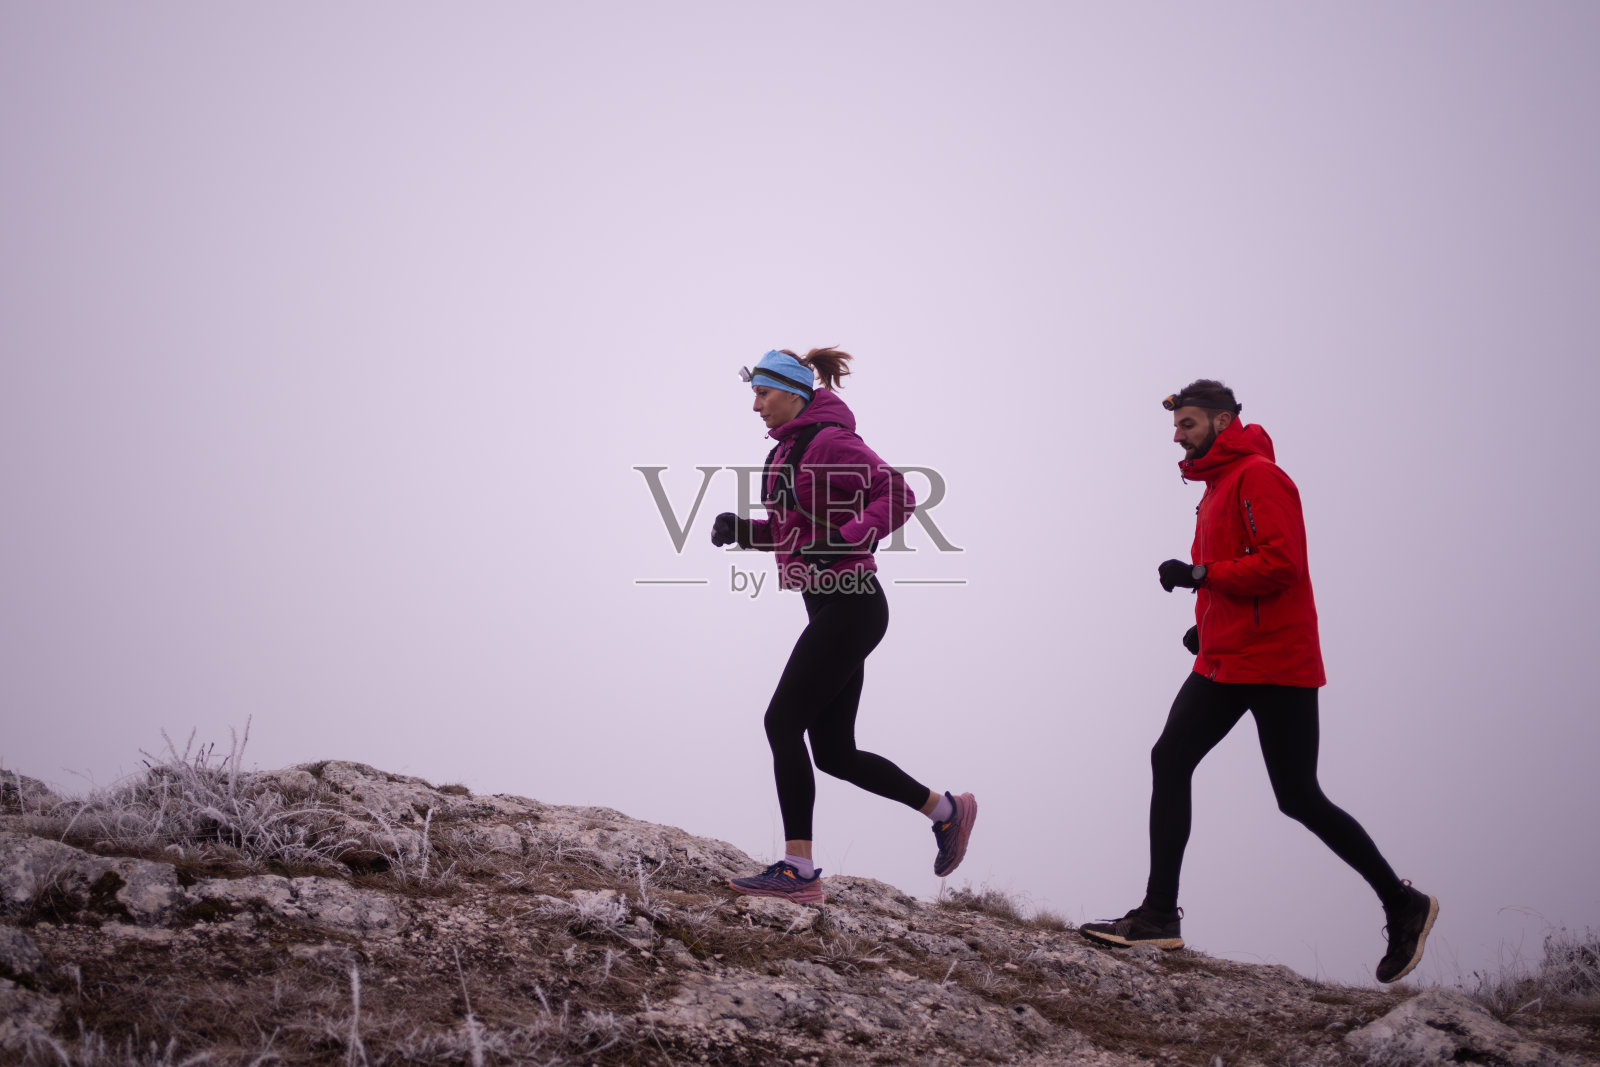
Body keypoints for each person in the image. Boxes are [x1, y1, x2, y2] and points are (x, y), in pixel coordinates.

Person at [1080, 379, 1438, 984]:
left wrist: (1198, 574)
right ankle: (1158, 917)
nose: (1176, 435)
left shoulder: (1258, 477)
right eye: (1176, 426)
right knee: (1170, 760)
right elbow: (1239, 572)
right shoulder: (1219, 485)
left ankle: (1403, 903)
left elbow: (1280, 564)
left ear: (1222, 422)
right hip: (1229, 656)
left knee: (1297, 796)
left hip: (1275, 663)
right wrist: (1206, 623)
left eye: (1187, 424)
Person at [709, 348, 976, 905]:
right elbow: (796, 534)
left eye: (762, 394)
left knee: (782, 722)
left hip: (852, 603)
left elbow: (899, 494)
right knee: (832, 751)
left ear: (793, 392)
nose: (755, 406)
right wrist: (745, 531)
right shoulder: (787, 453)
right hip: (829, 605)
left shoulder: (829, 441)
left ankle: (798, 872)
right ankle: (947, 811)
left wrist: (854, 535)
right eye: (753, 395)